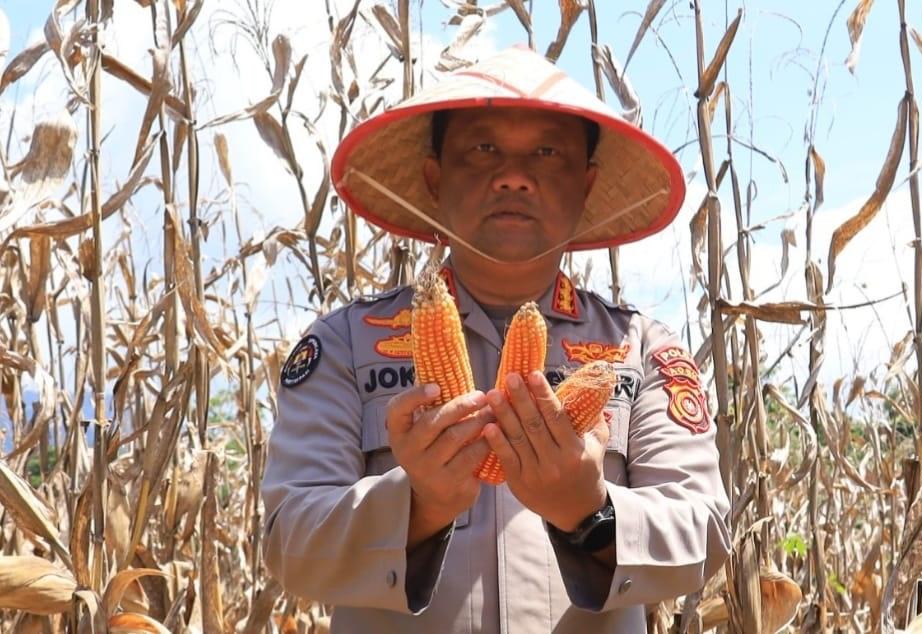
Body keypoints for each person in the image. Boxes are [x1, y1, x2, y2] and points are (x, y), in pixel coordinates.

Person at [261, 45, 730, 633]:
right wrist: (417, 506)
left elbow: (706, 534)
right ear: (435, 177)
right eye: (483, 149)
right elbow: (288, 542)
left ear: (585, 184)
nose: (513, 175)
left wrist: (589, 513)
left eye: (547, 151)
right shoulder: (346, 346)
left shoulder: (642, 350)